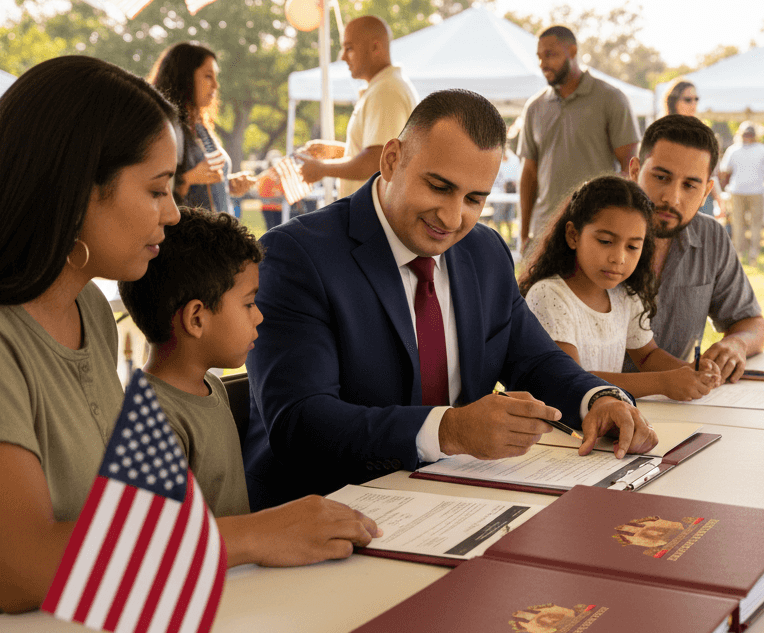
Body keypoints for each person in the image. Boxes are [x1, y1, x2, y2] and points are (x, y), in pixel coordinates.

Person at [0, 56, 379, 614]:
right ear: (78, 188)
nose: (175, 214)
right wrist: (250, 535)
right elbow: (21, 567)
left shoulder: (89, 309)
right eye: (156, 191)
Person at [244, 89, 657, 509]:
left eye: (475, 199)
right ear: (391, 160)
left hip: (457, 501)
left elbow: (535, 360)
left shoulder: (485, 252)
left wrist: (598, 399)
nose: (453, 217)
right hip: (325, 510)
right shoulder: (296, 256)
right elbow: (298, 422)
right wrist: (449, 430)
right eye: (439, 187)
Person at [520, 176, 722, 401]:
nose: (619, 258)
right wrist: (664, 383)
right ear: (573, 235)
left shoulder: (624, 295)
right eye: (606, 241)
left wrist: (690, 371)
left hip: (609, 419)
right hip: (559, 429)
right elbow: (573, 379)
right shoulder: (549, 296)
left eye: (633, 246)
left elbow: (647, 356)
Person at [118, 208, 263, 517]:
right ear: (196, 318)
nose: (259, 316)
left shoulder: (210, 385)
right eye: (248, 304)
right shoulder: (155, 419)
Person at [624, 114, 764, 383]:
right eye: (661, 177)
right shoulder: (595, 233)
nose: (672, 198)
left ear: (706, 192)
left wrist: (737, 344)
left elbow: (752, 325)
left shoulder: (711, 236)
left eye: (690, 185)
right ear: (634, 171)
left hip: (678, 404)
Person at [517, 25, 640, 254]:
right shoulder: (534, 107)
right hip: (545, 230)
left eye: (550, 54)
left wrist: (620, 225)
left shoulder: (611, 98)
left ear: (572, 51)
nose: (543, 64)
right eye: (540, 57)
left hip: (596, 228)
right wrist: (524, 234)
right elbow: (529, 173)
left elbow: (630, 168)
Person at [297, 15, 418, 197]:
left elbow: (376, 160)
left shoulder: (385, 91)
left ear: (375, 47)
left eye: (349, 48)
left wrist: (322, 168)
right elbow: (375, 151)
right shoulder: (384, 86)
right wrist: (336, 151)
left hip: (377, 216)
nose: (343, 56)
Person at [149, 42, 254, 214]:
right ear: (185, 78)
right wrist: (188, 179)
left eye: (215, 77)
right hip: (187, 235)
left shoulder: (200, 127)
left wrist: (227, 185)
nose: (215, 85)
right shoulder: (166, 127)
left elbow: (204, 183)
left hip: (215, 234)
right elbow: (151, 190)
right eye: (208, 76)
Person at [663, 78, 725, 220]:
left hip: (701, 200)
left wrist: (719, 199)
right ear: (674, 101)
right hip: (672, 200)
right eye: (688, 99)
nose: (694, 104)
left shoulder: (703, 132)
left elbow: (710, 173)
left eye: (696, 99)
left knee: (702, 240)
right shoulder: (663, 131)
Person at [719, 123, 764, 266]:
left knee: (747, 224)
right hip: (740, 191)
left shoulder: (756, 149)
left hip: (751, 191)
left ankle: (750, 255)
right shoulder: (735, 149)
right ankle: (742, 254)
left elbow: (725, 170)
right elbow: (724, 170)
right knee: (741, 224)